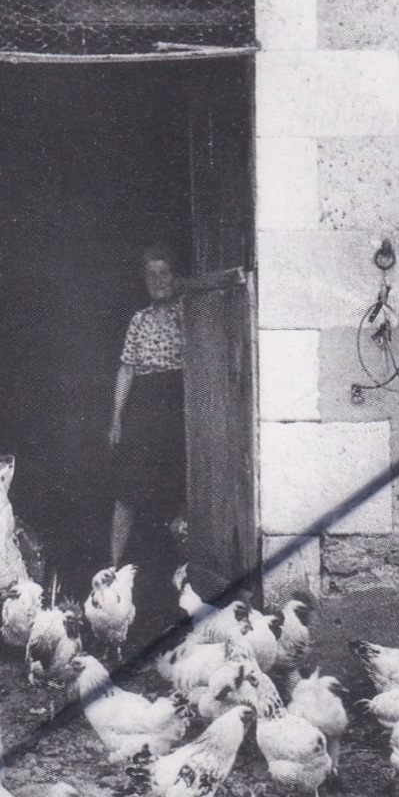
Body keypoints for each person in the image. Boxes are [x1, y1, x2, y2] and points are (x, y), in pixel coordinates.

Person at [107, 244, 244, 570]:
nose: (158, 280)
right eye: (151, 274)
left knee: (187, 484)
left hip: (182, 404)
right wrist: (116, 418)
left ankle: (192, 570)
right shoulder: (138, 321)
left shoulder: (190, 313)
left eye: (164, 272)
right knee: (129, 488)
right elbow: (127, 368)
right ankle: (112, 566)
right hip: (145, 406)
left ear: (175, 276)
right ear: (144, 280)